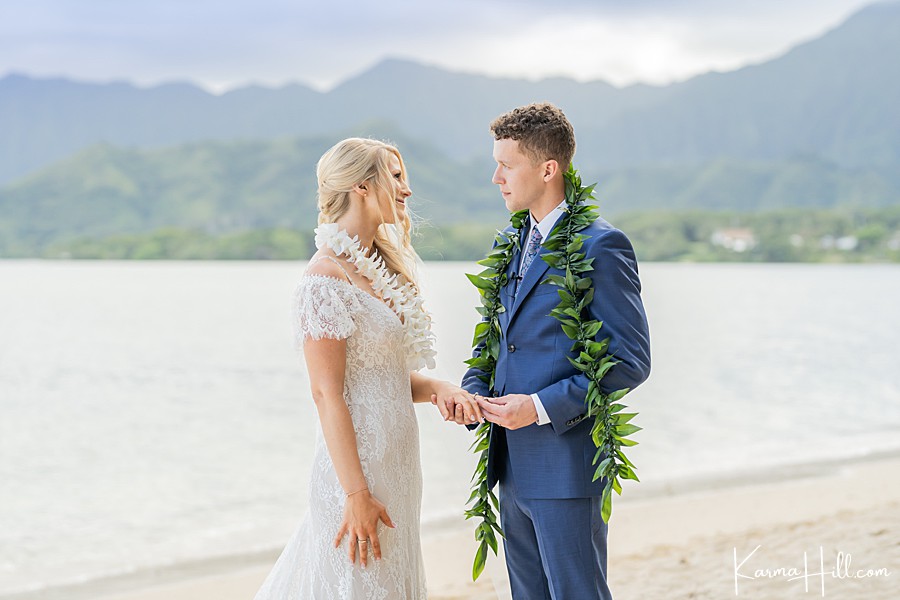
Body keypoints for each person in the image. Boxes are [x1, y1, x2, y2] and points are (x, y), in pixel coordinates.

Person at [253, 137, 480, 600]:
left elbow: (380, 377)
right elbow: (327, 393)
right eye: (395, 176)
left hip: (397, 467)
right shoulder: (324, 277)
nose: (407, 190)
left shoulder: (378, 269)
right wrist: (355, 494)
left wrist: (437, 387)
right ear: (360, 184)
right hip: (356, 475)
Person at [458, 103, 652, 599]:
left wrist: (538, 407)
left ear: (548, 169)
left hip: (566, 465)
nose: (495, 176)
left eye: (507, 164)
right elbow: (505, 340)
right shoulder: (513, 241)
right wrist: (473, 392)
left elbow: (629, 361)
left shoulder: (600, 245)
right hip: (511, 466)